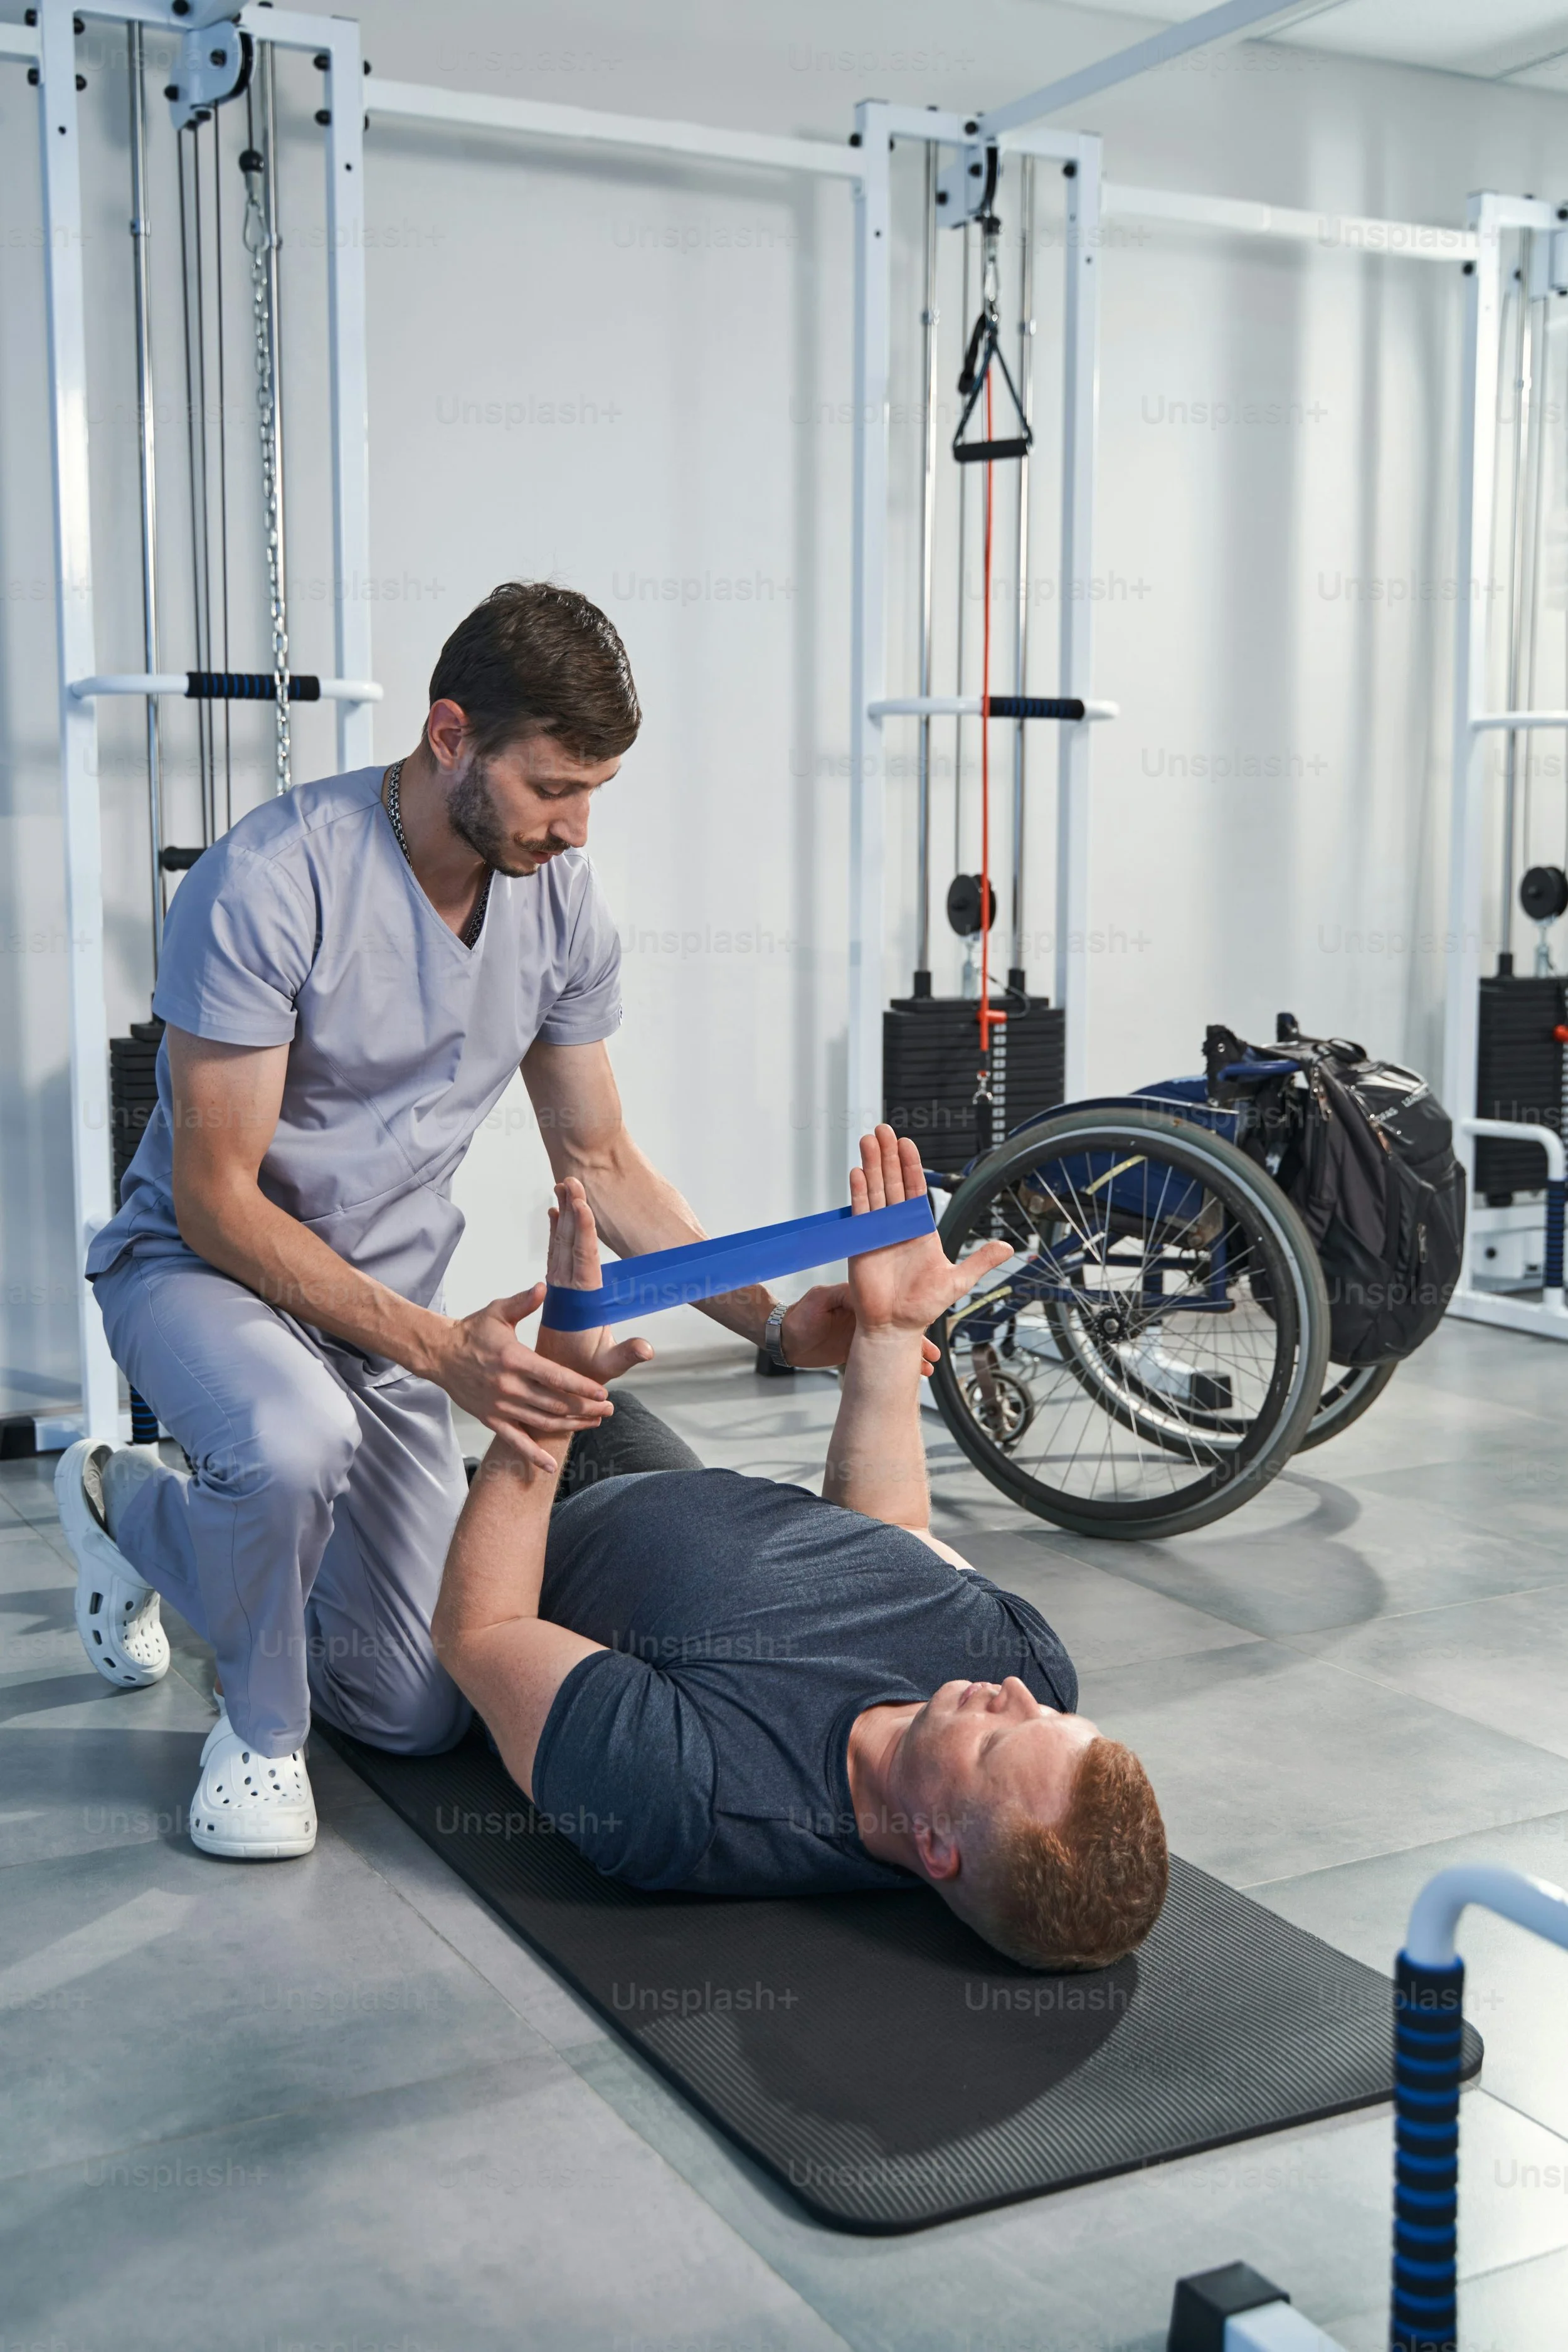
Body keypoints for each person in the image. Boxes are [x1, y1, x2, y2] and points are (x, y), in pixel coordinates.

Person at [56, 583, 924, 1863]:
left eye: (595, 794)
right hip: (202, 1276)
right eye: (552, 787)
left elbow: (604, 1160)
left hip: (393, 1321)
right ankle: (252, 1728)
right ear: (450, 734)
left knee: (411, 1708)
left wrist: (778, 1325)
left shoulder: (558, 904)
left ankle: (155, 1524)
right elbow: (216, 1198)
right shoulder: (267, 880)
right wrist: (436, 1351)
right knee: (293, 1440)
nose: (575, 828)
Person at [432, 1127, 1169, 1971]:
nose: (1014, 1695)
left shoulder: (690, 1796)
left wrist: (552, 1396)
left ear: (934, 1845)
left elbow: (481, 1630)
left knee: (339, 1444)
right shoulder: (1027, 1666)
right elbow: (885, 1537)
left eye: (999, 1741)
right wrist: (889, 1336)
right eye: (1055, 1717)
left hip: (499, 1530)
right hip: (650, 1474)